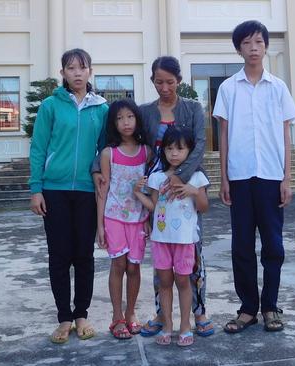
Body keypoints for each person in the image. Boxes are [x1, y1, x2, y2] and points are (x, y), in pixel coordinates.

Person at [92, 56, 214, 337]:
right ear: (152, 81)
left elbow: (199, 146)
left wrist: (180, 177)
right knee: (162, 254)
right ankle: (162, 313)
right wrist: (97, 168)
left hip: (186, 187)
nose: (165, 87)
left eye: (170, 82)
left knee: (192, 251)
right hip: (156, 190)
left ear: (179, 81)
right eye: (159, 82)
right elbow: (117, 143)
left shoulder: (193, 108)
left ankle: (199, 311)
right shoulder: (145, 112)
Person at [212, 20, 295, 334]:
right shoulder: (228, 88)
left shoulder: (278, 88)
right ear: (238, 49)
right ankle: (248, 309)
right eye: (247, 43)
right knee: (242, 247)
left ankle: (270, 307)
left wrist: (287, 179)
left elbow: (286, 134)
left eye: (258, 42)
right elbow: (223, 135)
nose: (253, 48)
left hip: (271, 178)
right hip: (240, 177)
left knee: (273, 246)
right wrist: (223, 178)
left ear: (265, 46)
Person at [29, 48, 108, 344]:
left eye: (82, 67)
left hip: (87, 192)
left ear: (90, 71)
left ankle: (82, 314)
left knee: (84, 256)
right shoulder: (50, 106)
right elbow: (38, 148)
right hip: (55, 190)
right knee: (59, 256)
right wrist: (36, 188)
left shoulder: (101, 108)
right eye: (70, 68)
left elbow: (104, 152)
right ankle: (64, 318)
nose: (77, 73)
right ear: (62, 73)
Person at [133, 126, 209, 347]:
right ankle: (167, 325)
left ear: (189, 151)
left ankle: (185, 326)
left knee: (184, 282)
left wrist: (193, 191)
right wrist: (138, 193)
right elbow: (154, 207)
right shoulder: (157, 178)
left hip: (185, 241)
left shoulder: (196, 177)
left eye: (180, 148)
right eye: (169, 148)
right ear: (163, 151)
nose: (174, 153)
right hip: (161, 240)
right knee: (164, 283)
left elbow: (203, 207)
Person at [96, 99, 151, 340]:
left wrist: (149, 217)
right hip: (114, 217)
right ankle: (117, 317)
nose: (125, 122)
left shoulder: (147, 152)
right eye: (119, 118)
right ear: (113, 123)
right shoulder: (109, 153)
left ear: (137, 119)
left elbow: (151, 189)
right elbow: (103, 190)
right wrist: (99, 225)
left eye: (129, 117)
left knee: (134, 266)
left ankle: (131, 314)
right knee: (118, 265)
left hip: (139, 218)